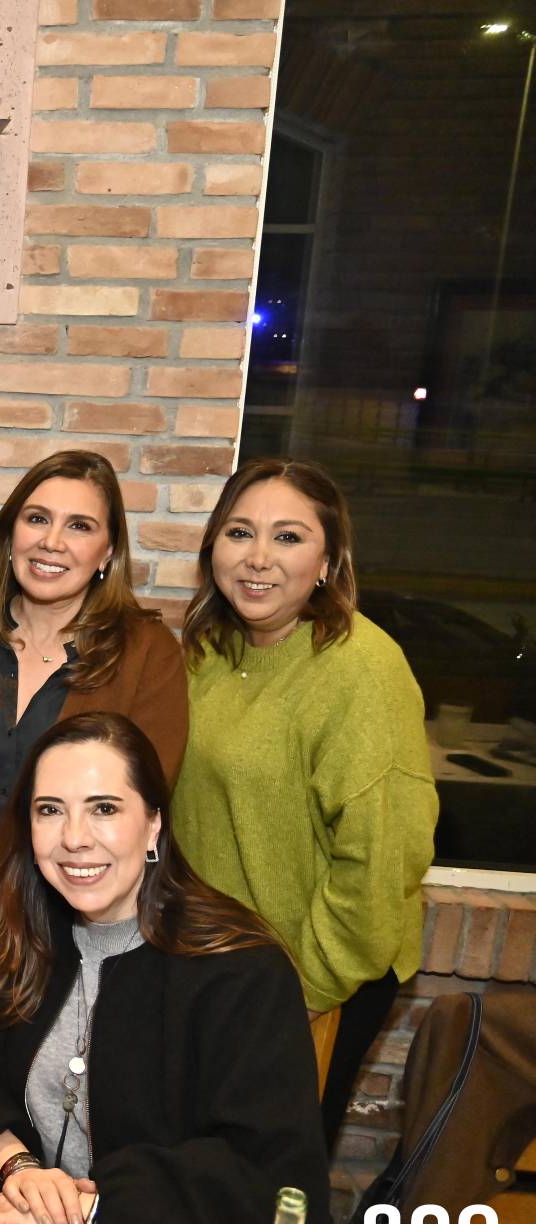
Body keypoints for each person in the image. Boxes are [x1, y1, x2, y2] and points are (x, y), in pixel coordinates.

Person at [0, 712, 328, 1224]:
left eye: (104, 809)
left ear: (154, 824)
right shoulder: (13, 938)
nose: (74, 839)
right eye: (50, 811)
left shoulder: (240, 971)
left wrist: (91, 1208)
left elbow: (271, 1181)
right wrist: (16, 1165)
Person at [171, 458, 435, 1143]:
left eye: (288, 537)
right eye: (239, 532)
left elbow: (381, 861)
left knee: (273, 1188)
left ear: (327, 559)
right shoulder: (210, 650)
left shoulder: (360, 670)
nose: (258, 558)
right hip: (216, 969)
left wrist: (300, 990)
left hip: (313, 978)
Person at [0, 449, 188, 983]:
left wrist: (2, 927)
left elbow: (127, 823)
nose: (52, 542)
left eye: (79, 526)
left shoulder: (146, 654)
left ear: (107, 553)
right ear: (10, 537)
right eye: (37, 519)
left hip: (68, 928)